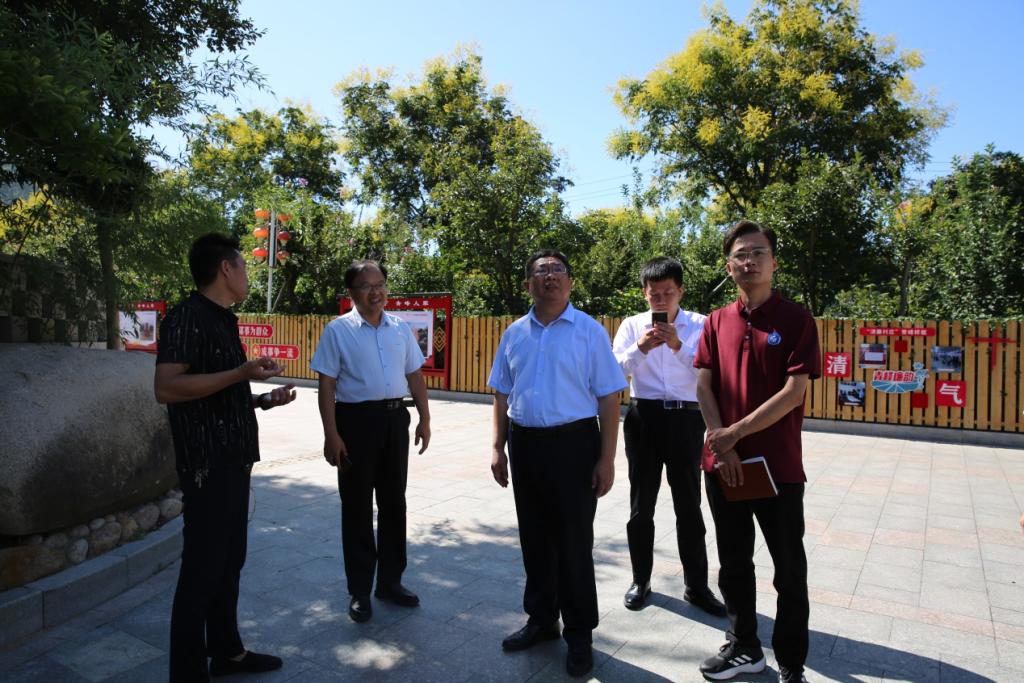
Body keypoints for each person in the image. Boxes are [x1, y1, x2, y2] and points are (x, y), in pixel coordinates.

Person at [155, 233, 296, 682]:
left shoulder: (223, 320)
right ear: (226, 269)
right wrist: (239, 372)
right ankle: (187, 672)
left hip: (233, 460)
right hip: (206, 464)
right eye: (244, 266)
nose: (248, 275)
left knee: (229, 562)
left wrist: (263, 399)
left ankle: (227, 652)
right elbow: (167, 388)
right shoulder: (186, 317)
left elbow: (216, 391)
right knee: (202, 570)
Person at [488, 249, 627, 678]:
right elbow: (501, 392)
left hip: (574, 446)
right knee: (534, 538)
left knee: (572, 543)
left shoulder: (589, 332)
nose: (549, 276)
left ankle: (580, 634)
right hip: (525, 444)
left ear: (570, 282)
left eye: (557, 270)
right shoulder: (514, 333)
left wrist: (606, 458)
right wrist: (497, 447)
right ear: (527, 283)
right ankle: (542, 619)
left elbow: (609, 397)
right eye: (541, 271)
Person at [694, 220, 820, 683]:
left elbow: (793, 393)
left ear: (774, 262)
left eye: (758, 253)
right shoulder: (716, 321)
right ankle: (744, 646)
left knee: (789, 570)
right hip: (723, 466)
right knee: (733, 563)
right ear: (729, 267)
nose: (749, 262)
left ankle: (791, 662)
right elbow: (703, 383)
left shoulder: (797, 319)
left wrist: (736, 433)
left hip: (778, 467)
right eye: (740, 255)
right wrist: (721, 442)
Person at [311, 260, 431, 624]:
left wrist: (425, 418)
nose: (375, 292)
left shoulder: (400, 328)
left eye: (380, 285)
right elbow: (327, 385)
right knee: (357, 506)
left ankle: (391, 582)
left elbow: (415, 375)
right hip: (355, 423)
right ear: (352, 292)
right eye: (366, 286)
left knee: (395, 503)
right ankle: (360, 590)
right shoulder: (338, 330)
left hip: (395, 420)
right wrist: (331, 435)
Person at [612, 256, 726, 617]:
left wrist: (677, 345)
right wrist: (641, 347)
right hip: (643, 416)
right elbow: (614, 370)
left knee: (689, 505)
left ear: (681, 291)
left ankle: (697, 586)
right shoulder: (632, 325)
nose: (660, 300)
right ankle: (640, 580)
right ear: (644, 293)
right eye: (654, 294)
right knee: (640, 504)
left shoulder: (701, 324)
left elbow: (709, 372)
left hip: (687, 418)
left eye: (668, 292)